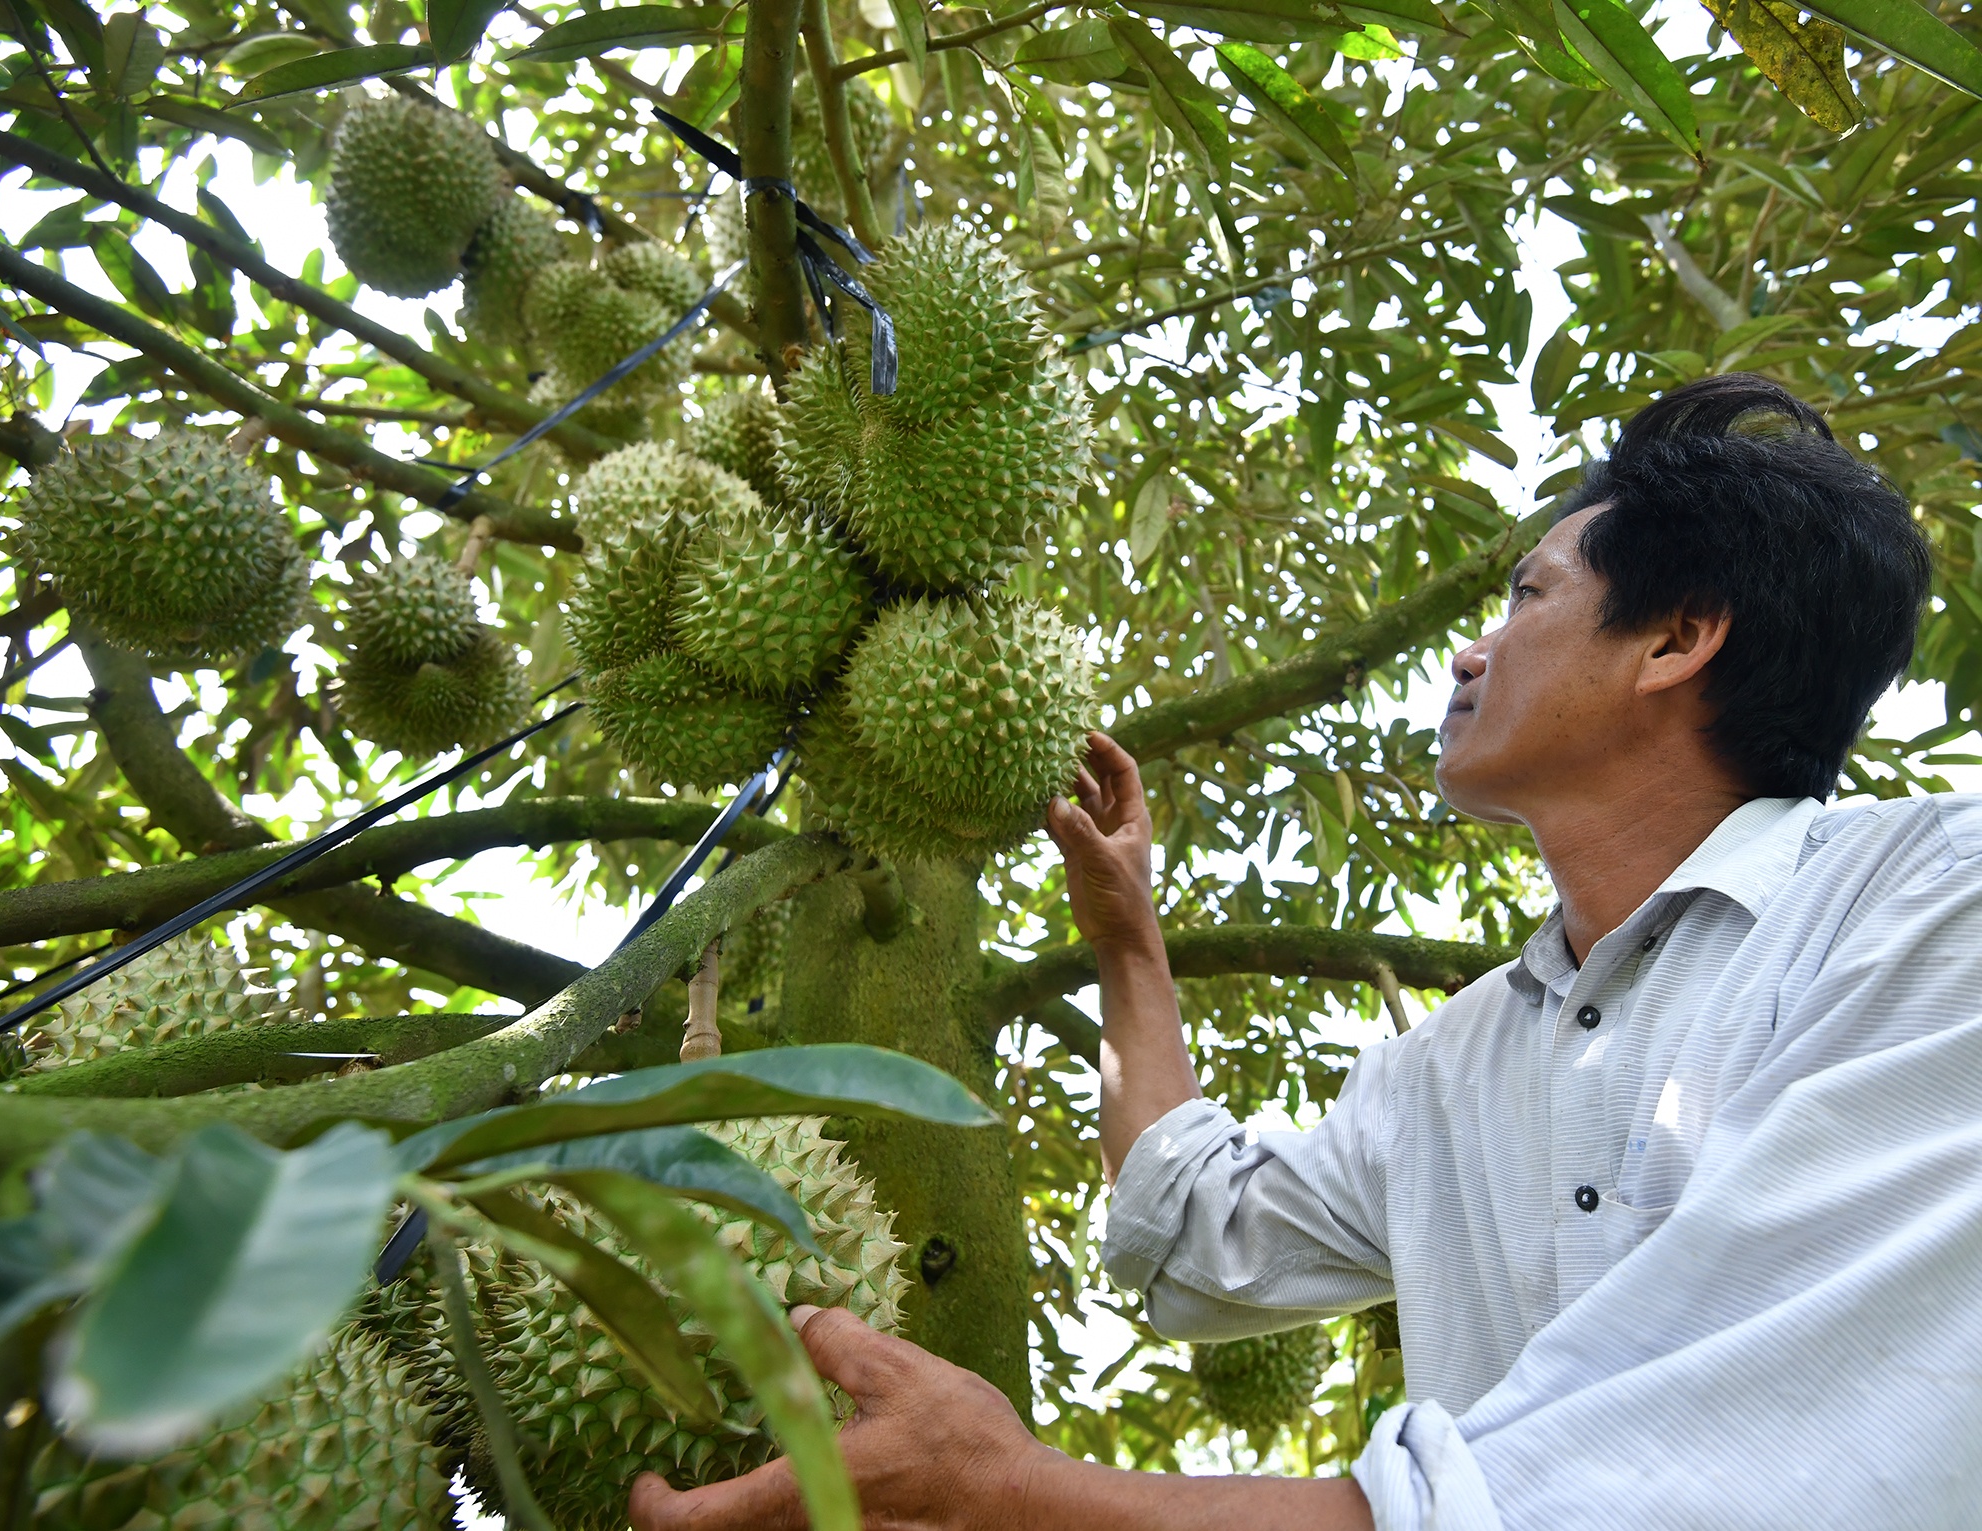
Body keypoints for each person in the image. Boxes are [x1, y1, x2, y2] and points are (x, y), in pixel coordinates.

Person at [629, 374, 1982, 1530]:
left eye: (1529, 594)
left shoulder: (1930, 911)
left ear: (1677, 639)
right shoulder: (1448, 1073)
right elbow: (1189, 1235)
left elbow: (1707, 1476)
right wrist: (1127, 942)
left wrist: (1017, 1489)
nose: (1472, 649)